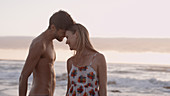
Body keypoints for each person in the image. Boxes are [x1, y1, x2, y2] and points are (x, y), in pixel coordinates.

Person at [19, 10, 74, 96]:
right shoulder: (39, 44)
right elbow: (23, 76)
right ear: (53, 27)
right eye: (63, 32)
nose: (64, 35)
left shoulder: (49, 42)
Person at [65, 23, 107, 96]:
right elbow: (69, 89)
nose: (66, 42)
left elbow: (103, 90)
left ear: (76, 34)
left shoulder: (98, 58)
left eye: (67, 37)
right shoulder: (70, 62)